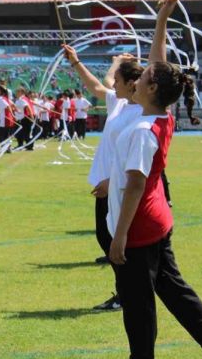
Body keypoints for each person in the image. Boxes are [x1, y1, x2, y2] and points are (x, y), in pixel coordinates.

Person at [108, 0, 202, 359]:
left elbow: (135, 185)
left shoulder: (142, 128)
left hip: (139, 229)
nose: (139, 77)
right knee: (178, 295)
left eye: (145, 78)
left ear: (151, 89)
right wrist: (162, 20)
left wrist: (118, 237)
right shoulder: (160, 115)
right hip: (158, 221)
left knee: (140, 312)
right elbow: (160, 65)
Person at [64, 46, 144, 312]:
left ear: (132, 84)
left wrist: (112, 182)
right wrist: (76, 61)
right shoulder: (120, 102)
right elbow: (99, 85)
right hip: (105, 185)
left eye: (119, 80)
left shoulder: (142, 113)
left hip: (118, 187)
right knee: (105, 238)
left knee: (117, 242)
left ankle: (128, 294)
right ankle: (127, 292)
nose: (113, 84)